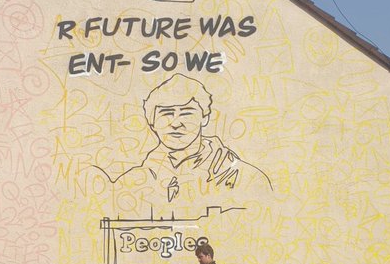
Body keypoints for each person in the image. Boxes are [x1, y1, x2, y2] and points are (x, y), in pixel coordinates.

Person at [113, 75, 272, 217]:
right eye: (166, 113)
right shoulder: (131, 182)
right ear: (152, 122)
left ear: (204, 118)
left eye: (186, 113)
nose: (175, 123)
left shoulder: (245, 178)